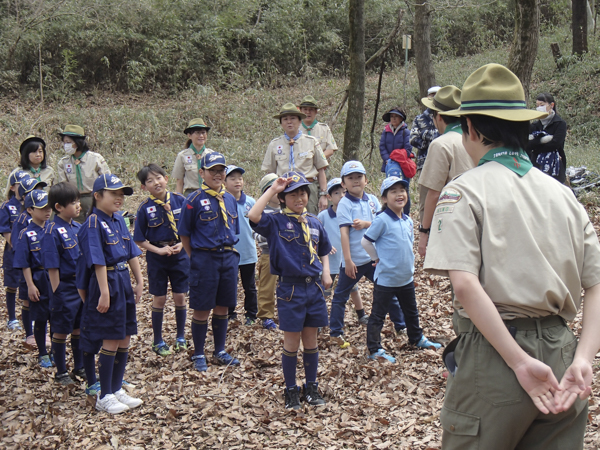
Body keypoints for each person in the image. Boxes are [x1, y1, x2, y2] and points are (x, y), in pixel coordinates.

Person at [424, 63, 600, 449]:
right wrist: (584, 357)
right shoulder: (563, 195)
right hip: (562, 352)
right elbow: (596, 283)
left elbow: (467, 286)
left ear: (470, 128)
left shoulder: (463, 191)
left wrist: (519, 361)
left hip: (496, 355)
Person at [248, 171, 332, 410]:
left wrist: (326, 271)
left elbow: (324, 248)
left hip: (314, 287)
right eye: (292, 194)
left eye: (303, 193)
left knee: (311, 340)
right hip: (290, 289)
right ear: (283, 198)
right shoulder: (275, 222)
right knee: (292, 342)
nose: (299, 198)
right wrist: (273, 190)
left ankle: (311, 387)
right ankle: (291, 390)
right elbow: (253, 216)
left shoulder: (314, 221)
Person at [77, 174, 144, 414]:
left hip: (122, 278)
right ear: (97, 196)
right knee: (110, 338)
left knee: (124, 335)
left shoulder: (118, 219)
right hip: (106, 281)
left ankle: (116, 388)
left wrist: (139, 280)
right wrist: (104, 292)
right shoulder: (93, 223)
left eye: (121, 194)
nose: (119, 198)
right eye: (113, 193)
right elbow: (97, 262)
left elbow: (131, 251)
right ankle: (103, 395)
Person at [362, 176, 440, 363]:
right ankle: (374, 349)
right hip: (387, 279)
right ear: (384, 198)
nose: (399, 195)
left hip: (405, 278)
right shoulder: (382, 220)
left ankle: (416, 338)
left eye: (402, 190)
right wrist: (376, 258)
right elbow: (365, 241)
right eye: (393, 191)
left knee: (411, 311)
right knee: (378, 315)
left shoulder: (407, 220)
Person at [328, 161, 406, 348]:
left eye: (359, 177)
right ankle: (336, 332)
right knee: (340, 296)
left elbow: (383, 222)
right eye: (350, 178)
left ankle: (401, 326)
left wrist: (365, 224)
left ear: (366, 180)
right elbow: (344, 233)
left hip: (374, 259)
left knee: (389, 292)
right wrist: (347, 260)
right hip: (353, 260)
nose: (355, 181)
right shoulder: (345, 204)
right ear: (344, 184)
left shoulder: (372, 200)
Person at [178, 152, 241, 372]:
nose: (217, 174)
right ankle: (198, 353)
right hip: (204, 258)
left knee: (223, 306)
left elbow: (235, 230)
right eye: (212, 170)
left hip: (228, 257)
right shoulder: (193, 200)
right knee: (202, 308)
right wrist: (193, 256)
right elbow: (184, 233)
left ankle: (220, 350)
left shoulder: (231, 199)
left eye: (221, 170)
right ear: (202, 173)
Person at [134, 164, 189, 357]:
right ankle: (158, 340)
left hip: (179, 253)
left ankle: (180, 336)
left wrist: (182, 244)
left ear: (166, 178)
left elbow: (191, 227)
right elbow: (139, 239)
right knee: (159, 298)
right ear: (144, 187)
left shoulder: (180, 200)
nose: (156, 182)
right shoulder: (144, 208)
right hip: (157, 257)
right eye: (149, 180)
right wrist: (158, 250)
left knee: (180, 296)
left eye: (158, 178)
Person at [417, 85, 474, 257]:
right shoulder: (474, 140)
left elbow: (433, 193)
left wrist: (424, 231)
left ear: (438, 117)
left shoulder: (442, 144)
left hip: (453, 221)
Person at [43, 182, 85, 385]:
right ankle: (60, 371)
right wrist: (57, 292)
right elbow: (52, 266)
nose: (78, 206)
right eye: (73, 202)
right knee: (61, 329)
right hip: (64, 287)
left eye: (78, 201)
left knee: (78, 328)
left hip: (80, 286)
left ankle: (79, 366)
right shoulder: (52, 230)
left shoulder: (77, 227)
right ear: (58, 207)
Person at [261, 103, 329, 215]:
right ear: (281, 123)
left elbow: (321, 170)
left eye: (293, 118)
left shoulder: (311, 142)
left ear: (299, 121)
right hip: (284, 189)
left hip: (307, 188)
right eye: (285, 119)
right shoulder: (274, 144)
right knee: (285, 221)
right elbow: (270, 173)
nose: (289, 122)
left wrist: (323, 195)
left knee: (310, 219)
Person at [317, 178, 367, 320]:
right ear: (329, 197)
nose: (341, 196)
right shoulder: (323, 216)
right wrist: (325, 244)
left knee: (353, 288)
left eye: (344, 192)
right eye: (337, 193)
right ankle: (320, 318)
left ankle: (361, 314)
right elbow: (316, 234)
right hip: (330, 261)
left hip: (347, 260)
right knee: (325, 289)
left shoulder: (351, 211)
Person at [13, 189, 53, 367]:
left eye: (49, 207)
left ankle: (55, 351)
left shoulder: (53, 229)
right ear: (30, 210)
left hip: (54, 277)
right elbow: (24, 262)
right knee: (41, 316)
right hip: (38, 277)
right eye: (42, 208)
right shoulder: (26, 234)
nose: (47, 211)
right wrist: (30, 285)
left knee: (56, 316)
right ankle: (42, 353)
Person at [224, 165, 258, 326]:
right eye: (232, 178)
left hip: (248, 252)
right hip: (228, 252)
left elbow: (259, 224)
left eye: (240, 178)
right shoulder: (221, 201)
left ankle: (251, 313)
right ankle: (230, 313)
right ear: (224, 182)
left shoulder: (251, 202)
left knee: (249, 286)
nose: (237, 181)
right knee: (229, 285)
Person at [56, 125, 111, 222]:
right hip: (73, 200)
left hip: (94, 198)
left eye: (68, 142)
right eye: (64, 143)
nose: (66, 145)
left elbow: (107, 180)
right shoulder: (63, 163)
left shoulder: (95, 158)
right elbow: (63, 186)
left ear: (78, 142)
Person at [0, 170, 29, 331]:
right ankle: (12, 318)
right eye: (20, 184)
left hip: (31, 252)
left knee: (30, 282)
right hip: (13, 252)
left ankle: (30, 318)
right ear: (12, 187)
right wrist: (16, 246)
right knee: (12, 284)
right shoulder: (7, 206)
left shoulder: (30, 206)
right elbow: (5, 229)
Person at [253, 173, 280, 330]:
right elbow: (255, 232)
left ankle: (284, 312)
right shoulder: (261, 211)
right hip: (268, 252)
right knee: (267, 286)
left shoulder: (287, 209)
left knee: (286, 284)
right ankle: (266, 315)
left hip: (287, 254)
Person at [526, 93, 568, 183]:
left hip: (556, 164)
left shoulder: (560, 123)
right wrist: (542, 140)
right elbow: (527, 144)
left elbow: (556, 143)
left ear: (551, 105)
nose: (539, 108)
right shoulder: (534, 125)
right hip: (535, 163)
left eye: (542, 105)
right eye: (537, 105)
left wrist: (536, 147)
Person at [379, 107, 414, 215]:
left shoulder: (405, 132)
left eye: (396, 117)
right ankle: (392, 213)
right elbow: (382, 146)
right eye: (392, 117)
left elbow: (408, 149)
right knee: (390, 189)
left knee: (404, 190)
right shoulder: (386, 131)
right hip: (389, 165)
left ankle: (406, 214)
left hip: (403, 165)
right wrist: (387, 159)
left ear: (401, 119)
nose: (393, 119)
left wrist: (399, 158)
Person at [172, 119, 214, 196]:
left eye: (203, 133)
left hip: (209, 193)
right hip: (191, 195)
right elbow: (179, 182)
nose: (201, 136)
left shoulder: (212, 155)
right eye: (197, 133)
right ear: (189, 135)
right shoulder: (182, 156)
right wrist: (179, 201)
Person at [410, 86, 441, 170]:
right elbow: (413, 138)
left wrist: (425, 135)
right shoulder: (419, 119)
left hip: (442, 159)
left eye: (436, 95)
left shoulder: (446, 117)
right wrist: (429, 144)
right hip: (424, 161)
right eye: (432, 95)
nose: (433, 97)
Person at [298, 95, 338, 161]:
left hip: (321, 167)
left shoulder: (324, 128)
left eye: (311, 110)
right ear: (300, 111)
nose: (308, 112)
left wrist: (317, 160)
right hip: (301, 168)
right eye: (305, 109)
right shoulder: (295, 129)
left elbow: (330, 150)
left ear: (316, 111)